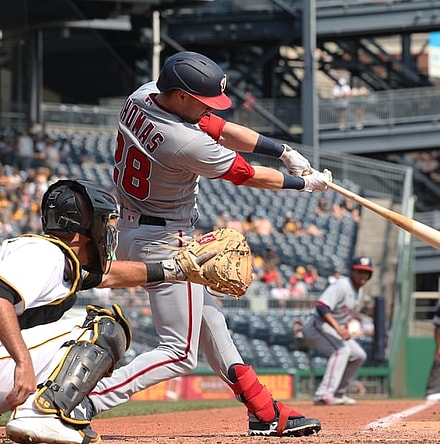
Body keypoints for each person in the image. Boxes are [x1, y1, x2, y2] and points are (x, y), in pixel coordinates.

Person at [87, 51, 329, 437]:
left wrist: (282, 151)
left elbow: (216, 125)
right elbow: (245, 174)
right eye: (201, 99)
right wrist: (304, 183)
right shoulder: (182, 141)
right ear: (181, 96)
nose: (209, 107)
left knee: (212, 321)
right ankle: (84, 400)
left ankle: (262, 410)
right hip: (165, 241)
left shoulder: (143, 95)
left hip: (138, 227)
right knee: (178, 353)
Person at [1, 179, 211, 444]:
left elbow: (110, 275)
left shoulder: (59, 259)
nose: (108, 231)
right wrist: (23, 361)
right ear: (83, 229)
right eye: (103, 222)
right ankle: (38, 415)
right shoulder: (42, 253)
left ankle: (40, 412)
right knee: (102, 327)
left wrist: (175, 270)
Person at [302, 256, 373, 405]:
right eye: (359, 272)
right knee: (341, 351)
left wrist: (345, 328)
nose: (363, 276)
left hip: (332, 328)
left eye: (366, 273)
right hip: (316, 324)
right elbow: (321, 307)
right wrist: (339, 328)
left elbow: (344, 315)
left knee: (359, 355)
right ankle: (323, 394)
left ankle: (339, 393)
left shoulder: (358, 292)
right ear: (352, 271)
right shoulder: (342, 285)